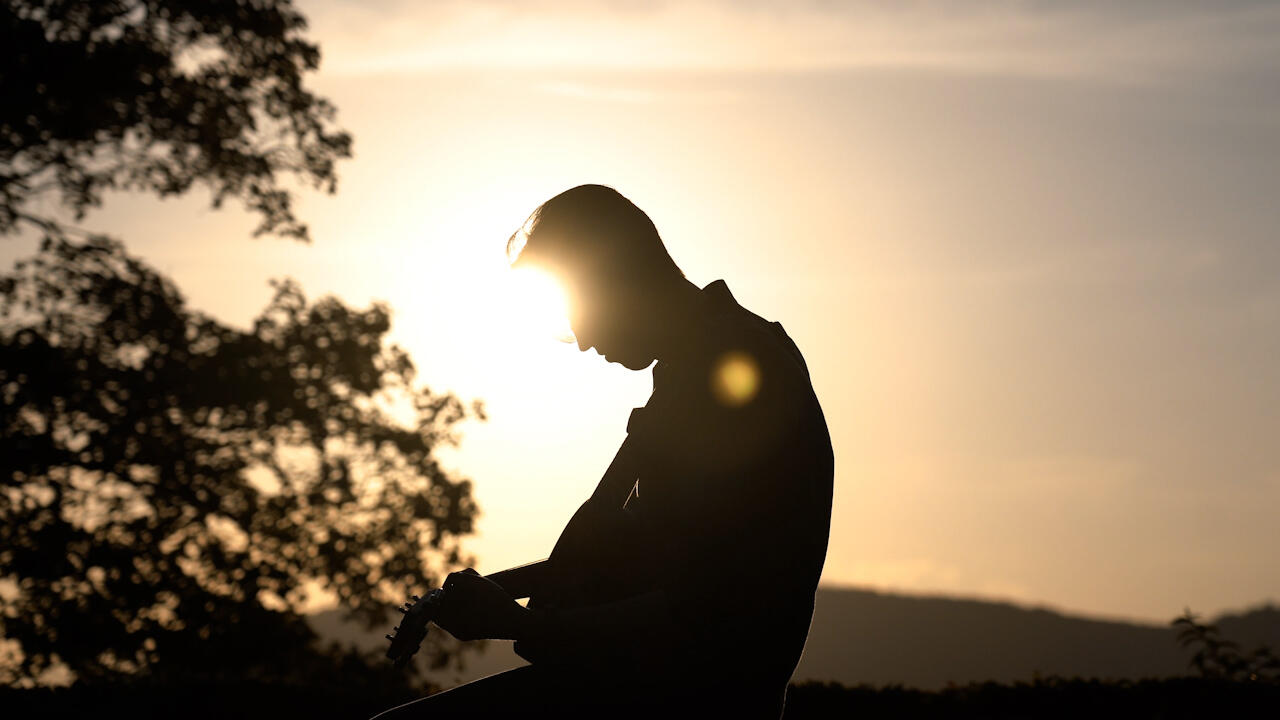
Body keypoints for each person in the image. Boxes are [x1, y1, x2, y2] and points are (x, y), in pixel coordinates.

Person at [372, 185, 833, 719]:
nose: (583, 339)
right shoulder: (699, 364)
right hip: (644, 683)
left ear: (619, 279)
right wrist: (484, 595)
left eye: (577, 310)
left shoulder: (729, 370)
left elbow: (706, 605)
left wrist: (517, 623)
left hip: (686, 697)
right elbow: (603, 556)